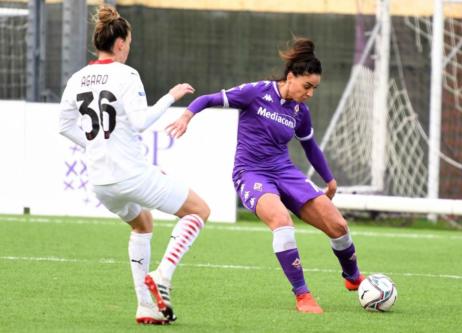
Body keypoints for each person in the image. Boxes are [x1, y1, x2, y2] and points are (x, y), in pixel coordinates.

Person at [167, 37, 364, 314]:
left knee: (338, 225)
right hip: (250, 172)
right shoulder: (256, 92)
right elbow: (208, 99)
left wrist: (329, 179)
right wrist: (187, 116)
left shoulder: (300, 111)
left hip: (285, 172)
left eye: (315, 88)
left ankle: (354, 279)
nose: (310, 93)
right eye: (307, 86)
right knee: (282, 221)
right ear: (291, 77)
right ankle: (302, 295)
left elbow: (310, 147)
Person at [58, 5, 210, 325]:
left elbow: (64, 125)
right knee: (199, 211)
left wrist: (96, 145)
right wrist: (171, 96)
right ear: (121, 43)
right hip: (130, 175)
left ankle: (145, 307)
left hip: (101, 182)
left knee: (142, 225)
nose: (129, 47)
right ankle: (163, 277)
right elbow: (140, 122)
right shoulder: (126, 74)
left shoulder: (78, 77)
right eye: (129, 42)